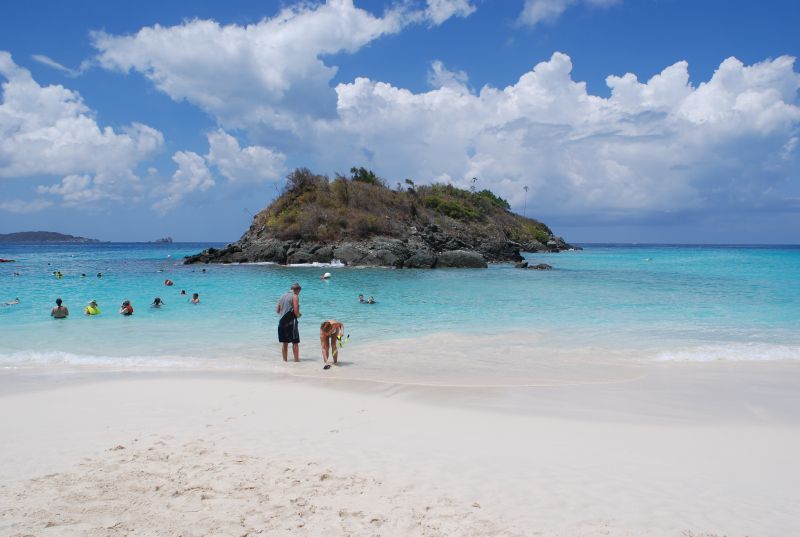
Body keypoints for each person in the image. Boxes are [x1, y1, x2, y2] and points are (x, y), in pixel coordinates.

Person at [276, 283, 301, 362]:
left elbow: (277, 311)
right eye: (299, 292)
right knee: (295, 342)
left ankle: (285, 361)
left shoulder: (282, 296)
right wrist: (298, 315)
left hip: (281, 321)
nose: (298, 294)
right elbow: (296, 310)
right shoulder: (295, 296)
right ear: (297, 290)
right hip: (291, 321)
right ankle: (296, 362)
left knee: (285, 342)